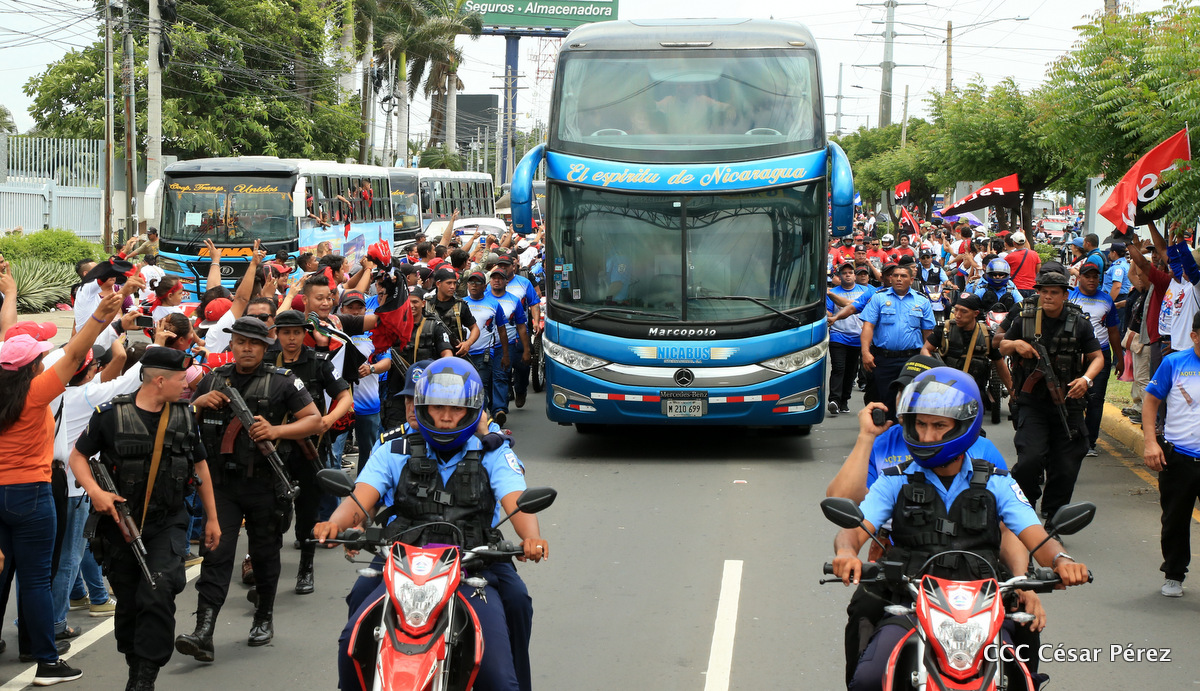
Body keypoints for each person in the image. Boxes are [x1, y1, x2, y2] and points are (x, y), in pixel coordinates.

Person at [829, 368, 1090, 691]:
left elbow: (1035, 534)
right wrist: (846, 552)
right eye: (921, 424)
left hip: (984, 605)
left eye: (939, 426)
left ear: (965, 425)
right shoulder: (895, 479)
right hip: (909, 604)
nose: (927, 436)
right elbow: (855, 528)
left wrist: (1062, 560)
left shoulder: (997, 482)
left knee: (1021, 675)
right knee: (869, 679)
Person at [313, 357, 549, 691]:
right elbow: (360, 499)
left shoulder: (493, 452)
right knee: (353, 638)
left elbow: (516, 499)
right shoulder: (394, 449)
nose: (447, 417)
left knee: (510, 630)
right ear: (423, 408)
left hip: (475, 562)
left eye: (456, 409)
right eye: (438, 407)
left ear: (472, 411)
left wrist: (531, 538)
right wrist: (334, 524)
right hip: (402, 562)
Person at [0, 281, 133, 685]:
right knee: (36, 580)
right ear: (31, 367)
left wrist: (10, 297)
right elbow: (75, 354)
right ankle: (45, 661)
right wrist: (100, 318)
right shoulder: (35, 394)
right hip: (32, 494)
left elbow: (9, 340)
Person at [69, 348, 220, 690]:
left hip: (168, 521)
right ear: (160, 381)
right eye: (181, 379)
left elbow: (200, 466)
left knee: (159, 589)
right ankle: (137, 666)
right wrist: (96, 492)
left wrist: (212, 518)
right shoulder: (109, 416)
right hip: (120, 525)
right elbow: (78, 457)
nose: (187, 385)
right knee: (130, 604)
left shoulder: (184, 416)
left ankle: (143, 680)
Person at [176, 317, 322, 660]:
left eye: (254, 343)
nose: (246, 348)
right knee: (216, 554)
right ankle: (204, 631)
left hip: (264, 485)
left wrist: (275, 431)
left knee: (265, 554)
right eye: (240, 341)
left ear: (264, 347)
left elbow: (314, 420)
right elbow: (182, 421)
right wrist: (198, 403)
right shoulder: (214, 378)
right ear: (232, 344)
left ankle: (263, 617)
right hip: (222, 485)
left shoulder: (283, 381)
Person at [1000, 271, 1103, 521]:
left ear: (1065, 295)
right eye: (1043, 291)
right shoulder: (1025, 319)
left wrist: (1086, 379)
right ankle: (1024, 508)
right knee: (1029, 459)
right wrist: (1016, 345)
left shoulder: (1079, 322)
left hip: (1069, 403)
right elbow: (1001, 345)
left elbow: (1097, 357)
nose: (1047, 296)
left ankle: (1054, 515)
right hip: (1033, 403)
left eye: (1054, 292)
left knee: (1066, 464)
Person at [271, 310, 352, 594]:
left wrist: (328, 420)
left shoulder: (318, 362)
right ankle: (262, 565)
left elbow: (344, 396)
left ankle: (306, 567)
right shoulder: (267, 360)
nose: (291, 338)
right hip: (274, 448)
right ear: (277, 334)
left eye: (297, 332)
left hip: (309, 449)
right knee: (270, 510)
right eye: (286, 332)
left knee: (308, 511)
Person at [1142, 311, 1200, 598]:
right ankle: (1174, 574)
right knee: (1175, 520)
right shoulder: (1174, 363)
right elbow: (1151, 401)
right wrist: (1150, 443)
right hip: (1179, 458)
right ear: (1194, 336)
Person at [859, 264, 934, 419]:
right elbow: (868, 327)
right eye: (895, 276)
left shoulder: (922, 301)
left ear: (911, 280)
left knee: (910, 401)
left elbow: (928, 333)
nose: (899, 279)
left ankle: (906, 432)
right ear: (890, 278)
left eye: (903, 276)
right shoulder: (879, 298)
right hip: (884, 359)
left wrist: (928, 358)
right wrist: (865, 352)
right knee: (885, 402)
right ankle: (887, 432)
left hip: (911, 360)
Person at [1070, 262, 1124, 455]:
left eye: (1095, 276)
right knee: (1072, 397)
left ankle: (1089, 443)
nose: (1092, 280)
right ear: (1080, 278)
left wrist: (1120, 358)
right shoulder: (1070, 297)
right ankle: (1071, 437)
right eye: (1088, 276)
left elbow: (1113, 331)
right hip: (1073, 355)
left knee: (1096, 400)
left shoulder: (1107, 300)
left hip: (1100, 355)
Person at [921, 294, 1004, 398]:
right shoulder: (944, 329)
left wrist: (1012, 393)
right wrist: (938, 370)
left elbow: (1000, 364)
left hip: (974, 395)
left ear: (975, 313)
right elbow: (925, 350)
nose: (958, 315)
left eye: (964, 311)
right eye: (956, 310)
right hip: (944, 392)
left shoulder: (986, 335)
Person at [488, 267, 530, 427]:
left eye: (500, 278)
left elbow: (521, 326)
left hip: (507, 345)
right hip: (485, 347)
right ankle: (491, 408)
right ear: (490, 281)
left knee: (501, 376)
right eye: (494, 278)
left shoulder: (514, 300)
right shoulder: (484, 298)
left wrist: (526, 349)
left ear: (506, 281)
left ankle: (499, 410)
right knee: (488, 379)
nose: (496, 281)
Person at [463, 270, 510, 416]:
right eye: (471, 282)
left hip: (484, 352)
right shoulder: (461, 303)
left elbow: (502, 330)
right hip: (464, 353)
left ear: (484, 286)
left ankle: (481, 418)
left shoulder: (494, 304)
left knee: (480, 385)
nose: (474, 285)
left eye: (478, 282)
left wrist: (505, 354)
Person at [826, 263, 870, 416]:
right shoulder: (832, 292)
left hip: (858, 337)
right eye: (844, 273)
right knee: (838, 368)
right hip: (838, 335)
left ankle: (844, 401)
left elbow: (865, 308)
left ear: (855, 275)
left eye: (850, 272)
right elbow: (829, 313)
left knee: (851, 371)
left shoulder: (866, 291)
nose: (848, 275)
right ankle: (834, 400)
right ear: (839, 276)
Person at [914, 249, 952, 324]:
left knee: (948, 305)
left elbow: (945, 281)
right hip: (921, 295)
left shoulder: (938, 269)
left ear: (931, 258)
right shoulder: (916, 269)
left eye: (928, 257)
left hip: (936, 295)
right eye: (923, 258)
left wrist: (951, 285)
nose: (926, 260)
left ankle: (947, 323)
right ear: (920, 259)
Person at [1005, 232, 1041, 297]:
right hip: (1031, 287)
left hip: (1016, 287)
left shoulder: (1010, 257)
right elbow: (1039, 271)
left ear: (1014, 243)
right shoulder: (1034, 254)